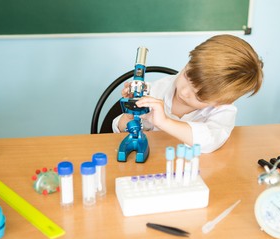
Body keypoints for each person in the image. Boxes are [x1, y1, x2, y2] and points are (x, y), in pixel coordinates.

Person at [112, 34, 263, 153]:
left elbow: (211, 140)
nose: (184, 92)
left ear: (220, 102)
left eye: (198, 96)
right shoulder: (158, 89)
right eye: (187, 75)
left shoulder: (224, 110)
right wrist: (130, 115)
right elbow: (119, 129)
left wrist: (164, 122)